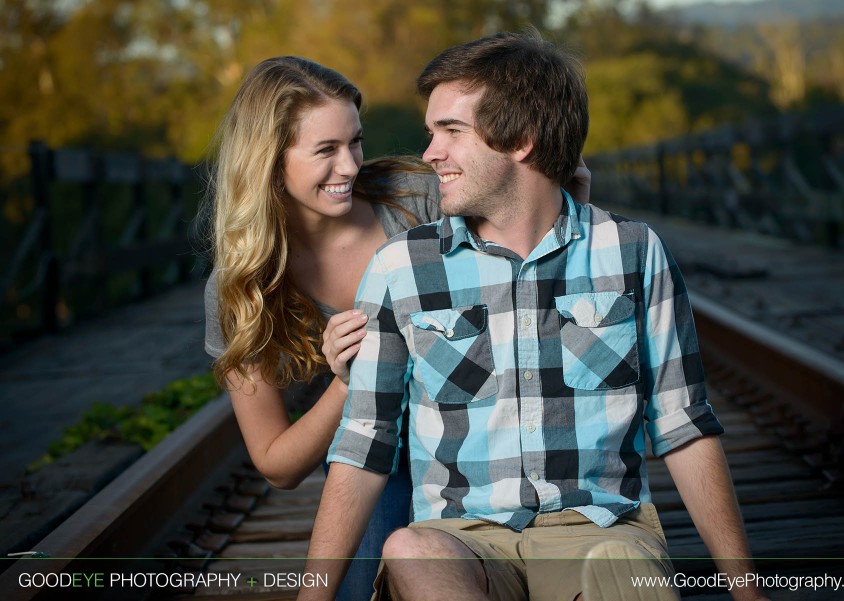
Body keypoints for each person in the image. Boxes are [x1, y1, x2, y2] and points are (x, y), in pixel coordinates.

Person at [300, 30, 770, 601]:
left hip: (599, 531)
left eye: (451, 132)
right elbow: (363, 440)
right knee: (410, 550)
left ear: (521, 139)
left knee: (618, 563)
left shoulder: (632, 252)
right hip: (462, 537)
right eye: (431, 133)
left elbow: (684, 426)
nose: (430, 154)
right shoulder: (401, 268)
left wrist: (749, 593)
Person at [203, 56, 591, 600]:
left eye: (354, 142)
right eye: (325, 151)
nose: (349, 166)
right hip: (377, 459)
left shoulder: (415, 199)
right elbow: (276, 464)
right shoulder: (242, 287)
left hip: (483, 433)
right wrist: (349, 381)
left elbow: (548, 205)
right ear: (269, 161)